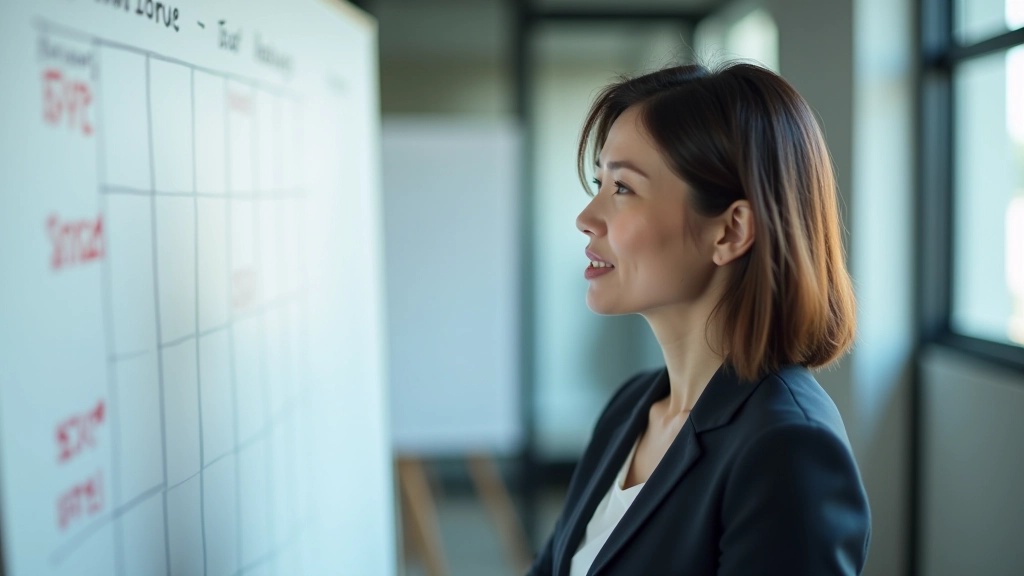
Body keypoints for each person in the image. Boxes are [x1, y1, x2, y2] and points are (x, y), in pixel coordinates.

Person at [527, 62, 871, 576]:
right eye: (599, 182)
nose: (586, 217)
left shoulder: (788, 450)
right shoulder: (631, 408)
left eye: (622, 188)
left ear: (731, 231)